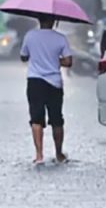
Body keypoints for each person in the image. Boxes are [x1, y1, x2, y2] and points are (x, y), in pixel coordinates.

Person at [20, 14, 73, 164]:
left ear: (39, 20)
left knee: (36, 118)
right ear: (54, 21)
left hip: (35, 81)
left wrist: (35, 56)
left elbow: (23, 56)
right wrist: (55, 60)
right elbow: (68, 61)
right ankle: (59, 154)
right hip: (54, 83)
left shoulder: (30, 36)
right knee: (57, 119)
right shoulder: (60, 38)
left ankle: (39, 155)